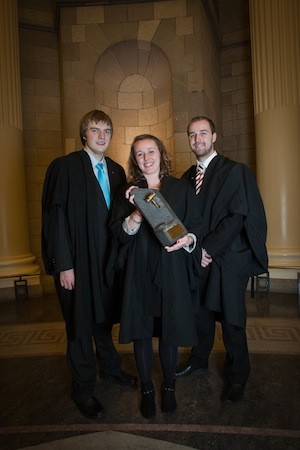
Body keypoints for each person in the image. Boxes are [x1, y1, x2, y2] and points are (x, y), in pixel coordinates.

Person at [42, 110, 137, 420]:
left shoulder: (116, 171)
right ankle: (83, 389)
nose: (101, 136)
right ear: (84, 134)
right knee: (80, 326)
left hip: (107, 263)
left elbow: (120, 218)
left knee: (104, 321)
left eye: (107, 131)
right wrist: (64, 265)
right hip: (78, 264)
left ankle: (110, 369)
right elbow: (56, 218)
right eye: (95, 130)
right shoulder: (65, 167)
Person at [175, 115, 268, 403]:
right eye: (192, 135)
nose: (197, 139)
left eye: (203, 133)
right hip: (198, 258)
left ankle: (238, 376)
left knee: (232, 320)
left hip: (228, 258)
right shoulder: (187, 178)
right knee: (199, 313)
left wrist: (208, 250)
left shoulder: (234, 171)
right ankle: (198, 358)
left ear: (214, 136)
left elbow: (236, 216)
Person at [109, 134, 201, 418]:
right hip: (140, 270)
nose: (146, 157)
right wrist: (136, 215)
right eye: (140, 154)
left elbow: (194, 226)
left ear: (161, 154)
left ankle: (169, 386)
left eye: (151, 151)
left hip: (171, 269)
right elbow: (118, 234)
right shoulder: (129, 191)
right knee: (141, 332)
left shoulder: (180, 188)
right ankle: (147, 388)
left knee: (170, 331)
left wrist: (189, 240)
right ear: (135, 161)